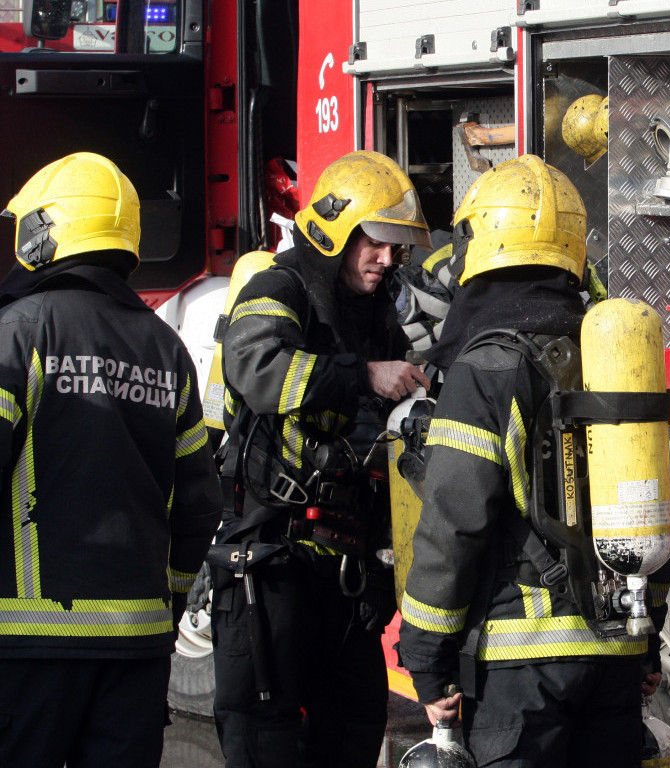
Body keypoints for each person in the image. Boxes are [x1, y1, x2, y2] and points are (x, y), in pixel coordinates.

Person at [397, 154, 670, 767]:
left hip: (520, 665)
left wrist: (426, 657)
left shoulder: (488, 369)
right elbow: (665, 504)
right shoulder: (611, 359)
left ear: (480, 246)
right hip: (613, 652)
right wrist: (647, 634)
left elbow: (454, 523)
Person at [209, 149, 433, 768]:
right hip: (274, 562)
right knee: (267, 742)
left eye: (396, 247)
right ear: (337, 228)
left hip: (347, 571)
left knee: (354, 732)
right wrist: (362, 375)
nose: (387, 259)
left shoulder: (377, 314)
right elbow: (254, 368)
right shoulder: (279, 287)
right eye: (375, 242)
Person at [0, 152, 221, 767]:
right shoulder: (165, 349)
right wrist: (169, 602)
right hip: (137, 649)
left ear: (44, 232)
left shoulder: (18, 334)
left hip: (27, 647)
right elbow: (199, 504)